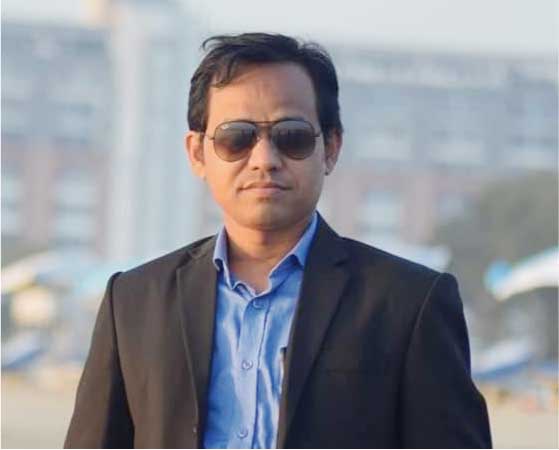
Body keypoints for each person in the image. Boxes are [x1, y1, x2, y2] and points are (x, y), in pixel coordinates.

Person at [65, 32, 492, 449]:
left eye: (292, 137)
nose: (264, 160)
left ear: (331, 148)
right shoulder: (134, 301)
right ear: (198, 153)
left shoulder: (409, 303)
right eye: (236, 138)